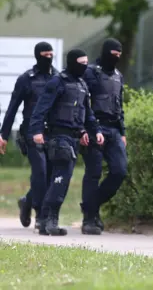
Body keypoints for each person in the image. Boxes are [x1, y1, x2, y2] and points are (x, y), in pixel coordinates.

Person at [29, 49, 104, 236]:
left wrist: (95, 131)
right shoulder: (58, 82)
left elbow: (87, 113)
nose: (85, 66)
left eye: (87, 62)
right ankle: (50, 219)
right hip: (58, 136)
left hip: (74, 137)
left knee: (60, 179)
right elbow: (41, 108)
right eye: (81, 62)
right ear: (72, 62)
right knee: (61, 177)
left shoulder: (81, 84)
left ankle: (46, 220)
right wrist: (36, 131)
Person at [0, 42, 59, 229]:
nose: (48, 57)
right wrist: (3, 135)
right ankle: (41, 214)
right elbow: (12, 108)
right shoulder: (26, 79)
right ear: (37, 55)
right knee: (40, 171)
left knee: (50, 175)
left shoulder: (58, 77)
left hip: (53, 133)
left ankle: (27, 201)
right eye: (45, 54)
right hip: (31, 133)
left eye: (51, 54)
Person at [79, 38, 127, 235]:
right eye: (113, 55)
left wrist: (122, 132)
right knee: (94, 172)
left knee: (119, 171)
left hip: (114, 131)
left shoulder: (118, 76)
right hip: (93, 128)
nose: (115, 59)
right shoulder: (90, 72)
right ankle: (89, 219)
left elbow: (119, 105)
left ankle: (91, 205)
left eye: (119, 56)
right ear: (106, 52)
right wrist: (83, 130)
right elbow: (81, 102)